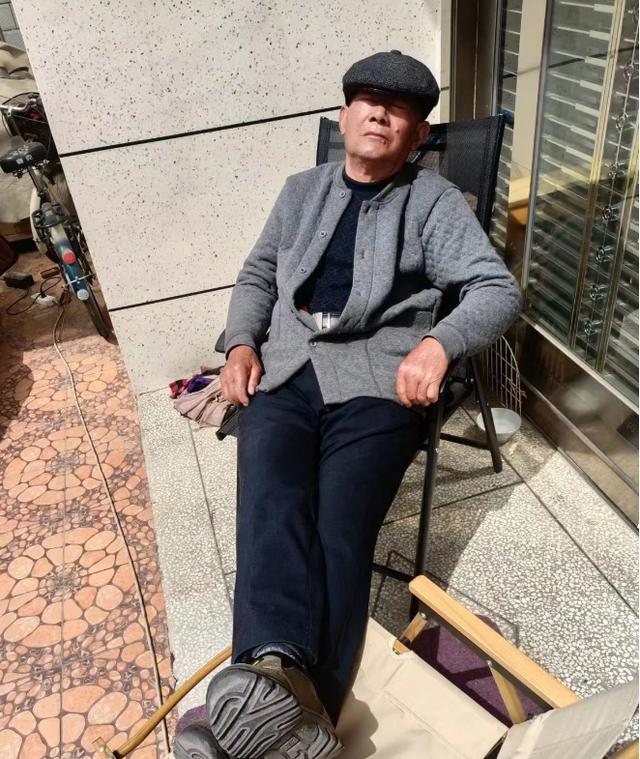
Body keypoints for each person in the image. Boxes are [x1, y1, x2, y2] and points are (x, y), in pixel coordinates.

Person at [174, 50, 523, 759]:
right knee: (271, 499)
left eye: (399, 110)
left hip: (379, 381)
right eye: (367, 101)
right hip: (287, 367)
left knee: (338, 524)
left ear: (416, 135)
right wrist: (239, 344)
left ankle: (270, 712)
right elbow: (258, 273)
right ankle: (284, 706)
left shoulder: (433, 203)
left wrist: (440, 343)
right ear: (343, 116)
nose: (380, 114)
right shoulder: (300, 190)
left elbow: (496, 289)